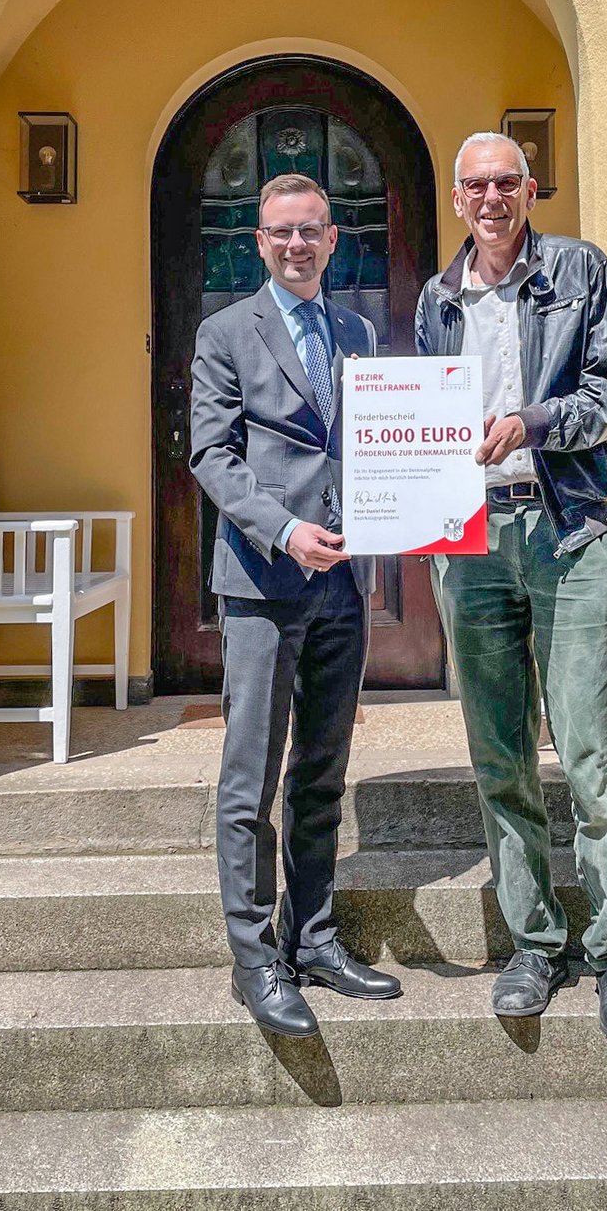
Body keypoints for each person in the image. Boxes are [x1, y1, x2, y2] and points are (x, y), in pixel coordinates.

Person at [415, 132, 607, 1043]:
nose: (490, 198)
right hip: (469, 543)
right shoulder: (437, 301)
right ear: (455, 197)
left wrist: (531, 422)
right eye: (475, 185)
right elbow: (423, 423)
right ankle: (533, 943)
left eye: (505, 182)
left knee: (592, 760)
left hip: (570, 532)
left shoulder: (579, 272)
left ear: (529, 188)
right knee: (500, 757)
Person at [190, 171, 403, 1036]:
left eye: (311, 229)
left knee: (321, 771)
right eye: (281, 232)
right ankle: (255, 958)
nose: (296, 243)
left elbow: (379, 440)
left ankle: (312, 936)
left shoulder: (355, 330)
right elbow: (211, 454)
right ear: (260, 242)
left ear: (331, 237)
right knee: (250, 778)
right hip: (264, 580)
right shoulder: (224, 332)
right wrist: (282, 530)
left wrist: (400, 512)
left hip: (344, 585)